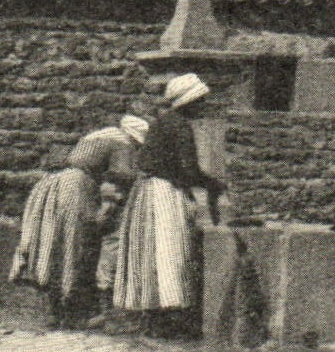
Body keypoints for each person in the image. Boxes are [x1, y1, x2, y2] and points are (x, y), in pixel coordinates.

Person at [12, 114, 148, 329]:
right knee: (74, 247)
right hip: (75, 188)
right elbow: (121, 174)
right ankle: (72, 313)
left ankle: (56, 310)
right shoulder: (122, 142)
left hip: (53, 185)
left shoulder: (99, 135)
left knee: (52, 245)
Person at [114, 74, 224, 337]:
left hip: (146, 192)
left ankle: (150, 320)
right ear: (190, 101)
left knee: (149, 252)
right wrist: (212, 184)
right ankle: (169, 322)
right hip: (165, 192)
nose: (203, 106)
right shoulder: (179, 126)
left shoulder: (162, 122)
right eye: (200, 101)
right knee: (171, 251)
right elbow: (188, 169)